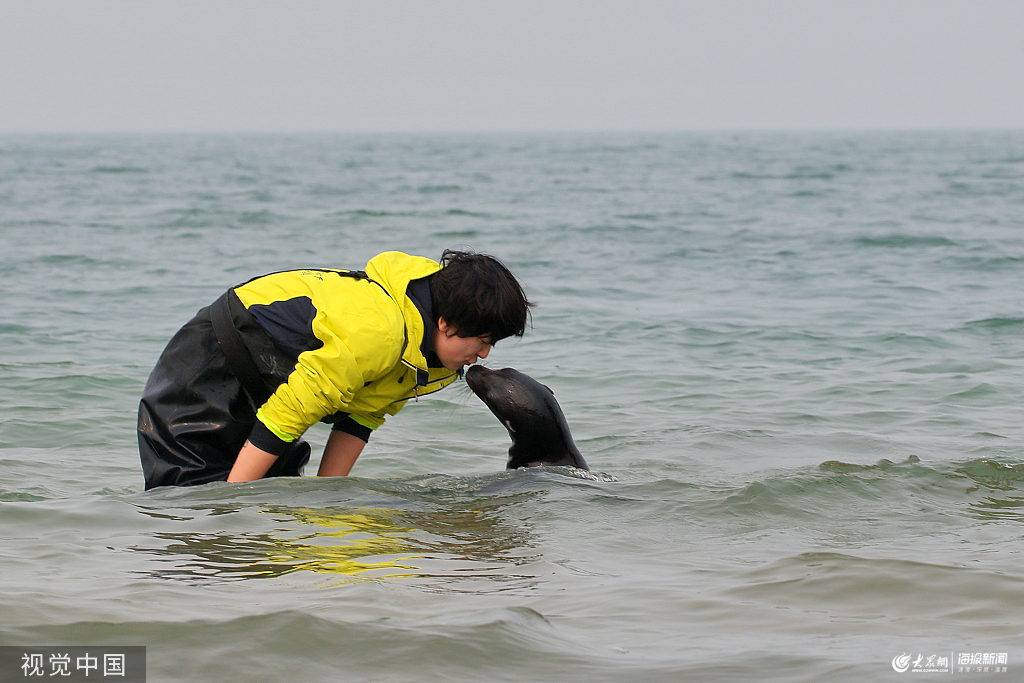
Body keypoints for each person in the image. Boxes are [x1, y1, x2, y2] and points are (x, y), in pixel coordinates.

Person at [137, 249, 532, 490]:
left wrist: (329, 503)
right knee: (195, 510)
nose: (484, 354)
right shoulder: (379, 330)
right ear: (445, 323)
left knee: (275, 510)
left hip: (269, 387)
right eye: (482, 340)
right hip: (211, 362)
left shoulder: (434, 360)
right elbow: (289, 412)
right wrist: (231, 502)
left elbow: (363, 414)